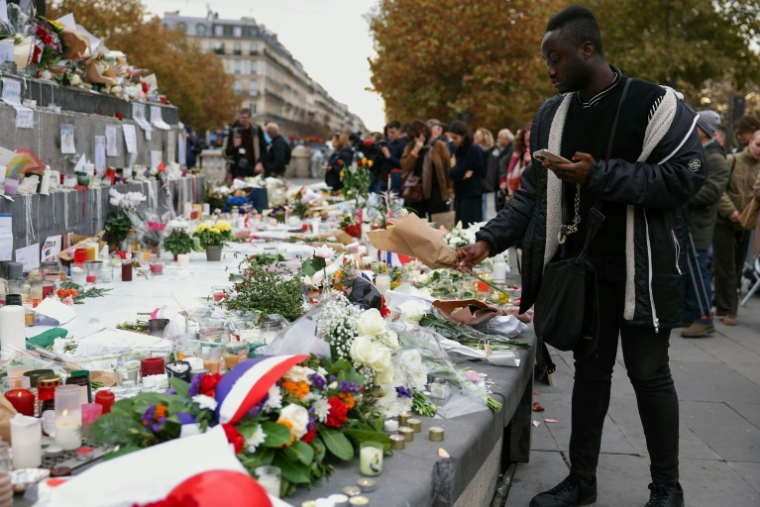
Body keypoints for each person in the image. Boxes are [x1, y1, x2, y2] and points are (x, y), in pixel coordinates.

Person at [457, 6, 706, 507]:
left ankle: (666, 488)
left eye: (556, 57)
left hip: (644, 271)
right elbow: (531, 194)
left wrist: (600, 175)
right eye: (546, 59)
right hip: (585, 272)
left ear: (587, 49)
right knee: (591, 376)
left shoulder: (653, 103)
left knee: (650, 376)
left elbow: (686, 178)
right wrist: (488, 239)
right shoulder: (553, 114)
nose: (549, 68)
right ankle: (582, 480)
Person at [681, 111, 730, 337]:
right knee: (689, 270)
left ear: (703, 130)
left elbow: (711, 192)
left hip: (699, 226)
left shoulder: (716, 159)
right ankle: (690, 313)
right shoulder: (698, 152)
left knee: (697, 270)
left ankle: (703, 317)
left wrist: (679, 194)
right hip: (688, 224)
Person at [713, 129, 760, 326]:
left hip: (747, 224)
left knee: (738, 267)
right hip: (725, 221)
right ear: (751, 142)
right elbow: (718, 188)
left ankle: (721, 303)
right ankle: (729, 310)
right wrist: (730, 210)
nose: (759, 150)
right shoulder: (732, 160)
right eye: (758, 145)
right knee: (727, 268)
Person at [399, 119, 452, 219]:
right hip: (416, 192)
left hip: (436, 192)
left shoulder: (439, 145)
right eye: (412, 137)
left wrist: (450, 189)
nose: (415, 139)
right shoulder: (410, 147)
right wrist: (415, 151)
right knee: (416, 226)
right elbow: (405, 166)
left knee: (437, 224)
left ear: (425, 132)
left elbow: (447, 168)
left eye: (418, 136)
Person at [448, 121, 484, 227]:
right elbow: (452, 174)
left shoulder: (473, 149)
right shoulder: (459, 150)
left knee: (470, 227)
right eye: (452, 138)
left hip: (471, 194)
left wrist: (454, 167)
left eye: (455, 138)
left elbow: (458, 172)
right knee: (460, 227)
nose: (453, 141)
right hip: (460, 194)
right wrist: (458, 172)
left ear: (463, 136)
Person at [224, 108, 267, 180]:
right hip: (238, 167)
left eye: (246, 118)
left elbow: (264, 149)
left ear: (250, 118)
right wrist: (234, 146)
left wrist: (260, 163)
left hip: (253, 166)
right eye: (242, 118)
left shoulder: (257, 131)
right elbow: (228, 152)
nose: (244, 120)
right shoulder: (234, 131)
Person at [501, 122, 533, 208]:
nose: (532, 143)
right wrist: (503, 179)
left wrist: (529, 164)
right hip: (517, 199)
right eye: (528, 140)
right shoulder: (517, 153)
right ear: (523, 141)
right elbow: (503, 163)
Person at [376, 120, 408, 194]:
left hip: (395, 181)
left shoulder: (404, 145)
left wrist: (389, 157)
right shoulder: (388, 143)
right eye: (388, 133)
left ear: (399, 131)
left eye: (392, 133)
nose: (390, 135)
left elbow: (403, 164)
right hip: (384, 179)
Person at [491, 129, 515, 212]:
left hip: (505, 185)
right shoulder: (505, 150)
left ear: (506, 138)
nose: (498, 140)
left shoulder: (510, 150)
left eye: (499, 138)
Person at [474, 128, 495, 219]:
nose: (475, 137)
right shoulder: (490, 151)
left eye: (477, 135)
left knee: (481, 210)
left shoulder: (482, 151)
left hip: (481, 183)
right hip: (484, 184)